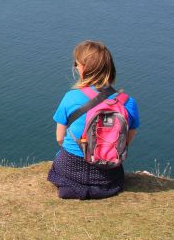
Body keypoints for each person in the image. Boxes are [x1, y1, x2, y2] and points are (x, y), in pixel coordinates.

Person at [47, 40, 140, 199]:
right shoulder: (127, 102)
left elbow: (60, 138)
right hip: (109, 174)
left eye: (76, 64)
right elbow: (125, 142)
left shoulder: (71, 98)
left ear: (84, 68)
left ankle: (72, 188)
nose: (75, 67)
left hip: (70, 169)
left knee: (59, 157)